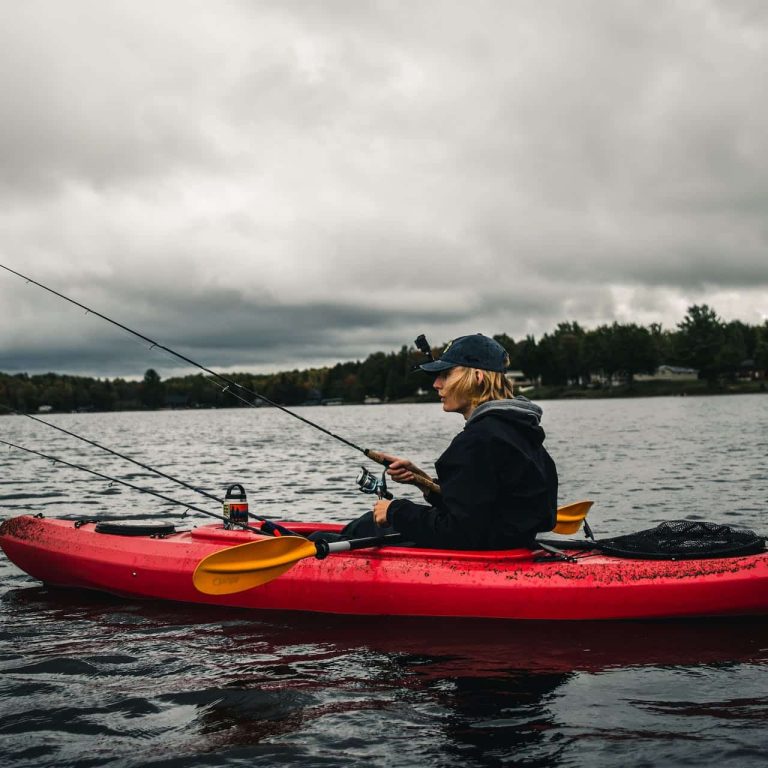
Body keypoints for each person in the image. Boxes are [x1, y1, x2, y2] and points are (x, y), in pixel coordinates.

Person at [338, 333, 558, 550]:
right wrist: (421, 480)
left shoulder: (477, 440)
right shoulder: (519, 430)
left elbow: (459, 531)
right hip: (511, 547)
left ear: (478, 377)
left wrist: (395, 510)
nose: (436, 384)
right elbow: (484, 508)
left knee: (361, 527)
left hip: (486, 556)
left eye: (445, 374)